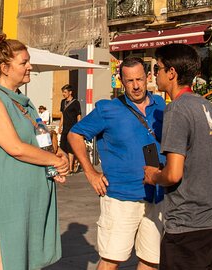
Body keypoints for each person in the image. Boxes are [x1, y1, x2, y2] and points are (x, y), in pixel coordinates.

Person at [0, 33, 69, 269]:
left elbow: (40, 139)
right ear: (5, 68)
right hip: (10, 197)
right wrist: (54, 161)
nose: (30, 66)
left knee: (29, 259)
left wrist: (58, 154)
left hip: (32, 195)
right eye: (24, 62)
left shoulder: (23, 101)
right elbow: (15, 147)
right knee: (11, 257)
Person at [68, 56, 166, 270]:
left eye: (140, 79)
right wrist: (90, 172)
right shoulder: (107, 109)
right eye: (130, 81)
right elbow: (74, 135)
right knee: (112, 260)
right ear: (121, 81)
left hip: (157, 195)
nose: (136, 86)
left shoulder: (160, 104)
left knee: (151, 260)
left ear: (148, 77)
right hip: (121, 197)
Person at [144, 44, 212, 270]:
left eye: (157, 68)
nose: (154, 74)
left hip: (187, 225)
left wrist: (154, 176)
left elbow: (173, 174)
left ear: (171, 73)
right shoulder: (207, 106)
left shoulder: (177, 109)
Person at [59, 84, 82, 174]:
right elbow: (62, 115)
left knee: (70, 148)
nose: (63, 94)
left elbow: (78, 115)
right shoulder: (63, 102)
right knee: (63, 147)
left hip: (73, 128)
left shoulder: (76, 103)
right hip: (65, 128)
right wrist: (60, 126)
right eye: (63, 92)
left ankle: (70, 168)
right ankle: (65, 166)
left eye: (65, 92)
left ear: (70, 92)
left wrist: (79, 128)